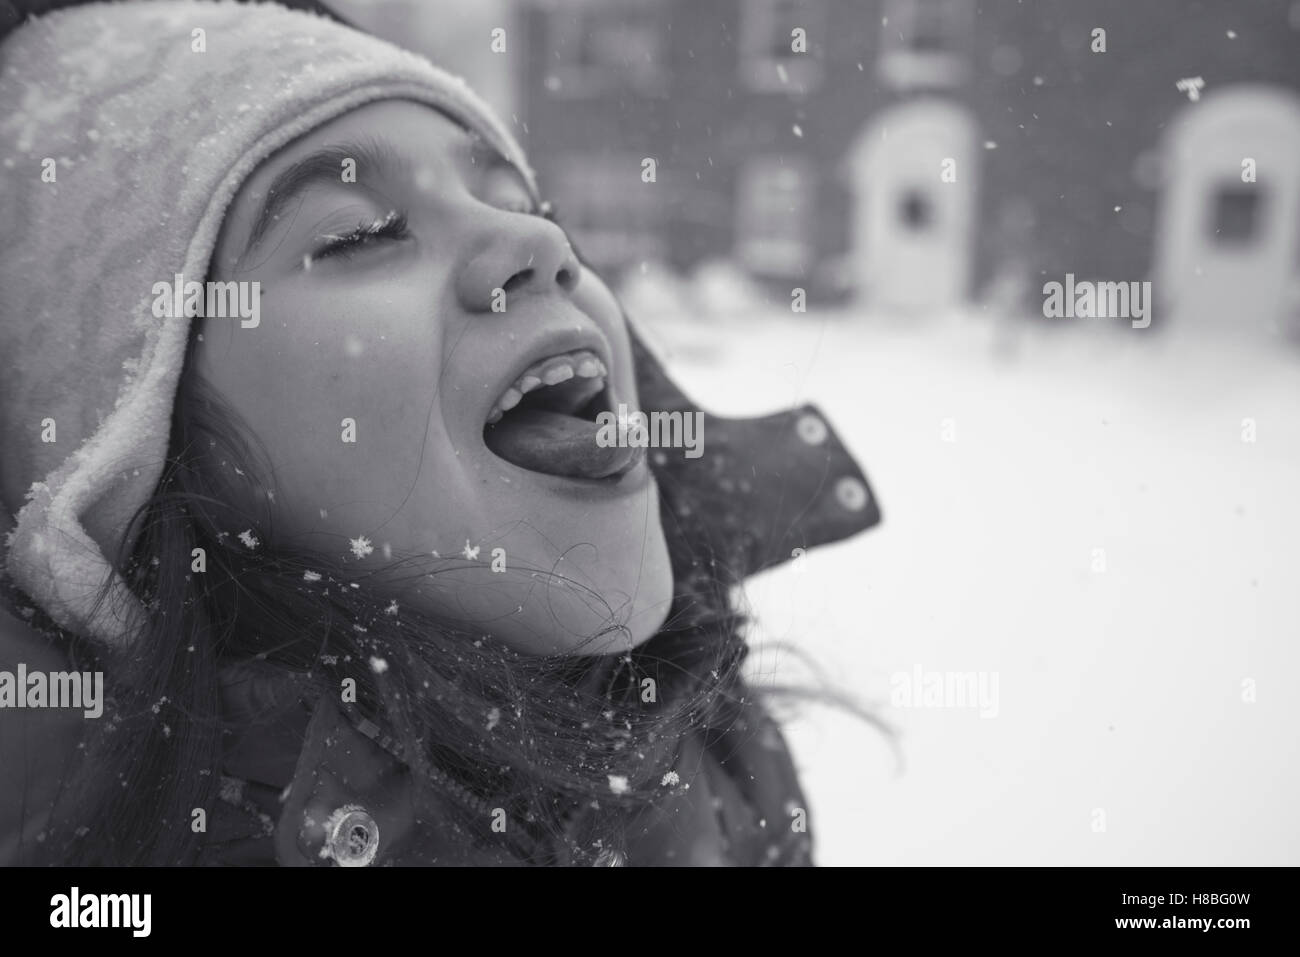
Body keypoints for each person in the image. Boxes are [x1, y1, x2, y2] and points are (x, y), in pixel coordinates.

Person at [0, 0, 879, 866]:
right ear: (136, 457)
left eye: (524, 201)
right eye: (360, 234)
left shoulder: (723, 765)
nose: (535, 238)